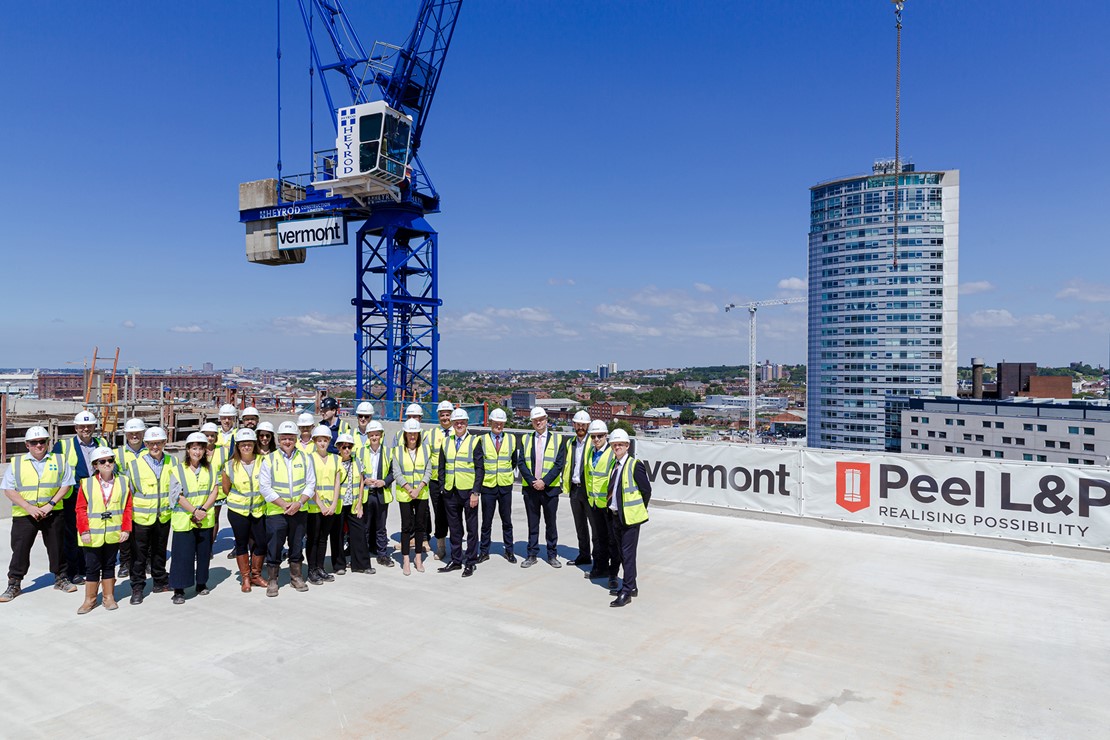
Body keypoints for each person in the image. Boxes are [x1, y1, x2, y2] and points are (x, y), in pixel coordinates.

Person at [1, 426, 77, 602]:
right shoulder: (17, 463)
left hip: (52, 512)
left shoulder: (59, 460)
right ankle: (14, 583)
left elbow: (66, 484)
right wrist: (29, 508)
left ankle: (61, 578)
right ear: (27, 445)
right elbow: (8, 489)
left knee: (57, 547)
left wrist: (50, 505)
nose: (38, 445)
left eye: (42, 441)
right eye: (34, 442)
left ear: (48, 443)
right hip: (25, 514)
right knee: (20, 549)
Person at [260, 420, 316, 596]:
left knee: (297, 544)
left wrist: (299, 503)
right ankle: (273, 580)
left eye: (290, 438)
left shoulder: (305, 458)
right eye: (284, 438)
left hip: (299, 510)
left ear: (296, 439)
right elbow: (265, 487)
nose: (287, 441)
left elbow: (311, 484)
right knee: (274, 546)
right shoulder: (269, 460)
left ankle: (296, 577)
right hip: (277, 511)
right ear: (278, 439)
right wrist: (284, 504)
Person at [54, 409, 109, 585]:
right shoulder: (64, 446)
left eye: (89, 426)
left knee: (91, 529)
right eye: (82, 426)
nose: (86, 429)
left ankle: (88, 565)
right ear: (76, 427)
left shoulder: (102, 442)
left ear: (94, 426)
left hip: (95, 494)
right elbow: (56, 471)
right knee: (72, 533)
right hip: (73, 495)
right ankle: (73, 570)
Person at [74, 446, 133, 614]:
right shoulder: (87, 484)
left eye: (110, 460)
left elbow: (128, 507)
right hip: (92, 534)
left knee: (109, 565)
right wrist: (84, 531)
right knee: (92, 567)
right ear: (95, 465)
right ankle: (89, 600)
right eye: (102, 461)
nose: (107, 464)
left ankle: (109, 597)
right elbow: (80, 509)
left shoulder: (123, 481)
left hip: (113, 533)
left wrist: (126, 529)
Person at [126, 426, 175, 604]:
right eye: (151, 444)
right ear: (145, 444)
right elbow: (128, 494)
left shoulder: (173, 462)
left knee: (159, 551)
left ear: (164, 443)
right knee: (138, 555)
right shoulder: (134, 465)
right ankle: (137, 587)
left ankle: (160, 581)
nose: (155, 447)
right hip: (141, 518)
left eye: (159, 443)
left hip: (163, 515)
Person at [168, 432, 219, 604]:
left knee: (203, 554)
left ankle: (201, 583)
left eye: (201, 449)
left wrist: (203, 509)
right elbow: (177, 495)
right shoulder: (177, 470)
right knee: (182, 556)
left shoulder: (211, 468)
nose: (197, 452)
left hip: (204, 517)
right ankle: (179, 589)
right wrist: (194, 511)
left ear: (205, 451)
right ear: (188, 450)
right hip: (185, 519)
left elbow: (215, 491)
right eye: (194, 448)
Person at [605, 429, 651, 608]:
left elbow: (646, 490)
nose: (617, 447)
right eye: (614, 445)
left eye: (620, 444)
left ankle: (626, 591)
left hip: (630, 519)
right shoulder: (614, 465)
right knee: (624, 554)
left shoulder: (634, 465)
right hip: (615, 516)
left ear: (627, 446)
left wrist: (639, 509)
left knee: (628, 554)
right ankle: (632, 586)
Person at [437, 408, 484, 577]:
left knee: (472, 528)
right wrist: (443, 486)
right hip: (450, 492)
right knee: (455, 528)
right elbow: (441, 466)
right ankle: (456, 560)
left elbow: (480, 469)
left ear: (466, 423)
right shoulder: (446, 441)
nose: (459, 425)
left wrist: (475, 492)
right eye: (456, 422)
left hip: (468, 492)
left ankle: (470, 561)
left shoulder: (474, 441)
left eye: (462, 422)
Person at [517, 406, 565, 568]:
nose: (539, 422)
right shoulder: (526, 439)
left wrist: (544, 481)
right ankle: (532, 554)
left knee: (551, 523)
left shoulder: (558, 440)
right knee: (533, 523)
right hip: (531, 489)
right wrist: (533, 481)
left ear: (546, 420)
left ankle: (552, 555)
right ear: (532, 422)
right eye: (535, 420)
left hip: (550, 489)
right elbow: (521, 463)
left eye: (541, 419)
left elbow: (559, 464)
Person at [221, 428, 269, 593]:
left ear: (254, 445)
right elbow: (227, 489)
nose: (246, 447)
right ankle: (246, 577)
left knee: (261, 542)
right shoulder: (229, 466)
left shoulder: (263, 461)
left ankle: (256, 574)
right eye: (243, 445)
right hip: (238, 511)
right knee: (241, 544)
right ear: (238, 446)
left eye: (249, 444)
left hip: (258, 509)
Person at [477, 408, 517, 564]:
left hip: (505, 486)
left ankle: (509, 551)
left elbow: (514, 461)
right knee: (486, 522)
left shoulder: (511, 439)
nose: (498, 426)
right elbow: (479, 464)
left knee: (507, 521)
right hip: (488, 486)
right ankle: (484, 551)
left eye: (501, 423)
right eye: (496, 423)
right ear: (490, 423)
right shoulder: (482, 440)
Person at [392, 419, 431, 576]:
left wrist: (419, 487)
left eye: (415, 433)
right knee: (406, 527)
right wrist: (409, 489)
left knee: (420, 526)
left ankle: (419, 559)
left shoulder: (426, 450)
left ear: (418, 434)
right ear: (405, 434)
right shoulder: (398, 451)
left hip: (421, 493)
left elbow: (429, 470)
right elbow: (396, 472)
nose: (412, 436)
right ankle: (406, 560)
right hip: (405, 494)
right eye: (410, 433)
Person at [305, 425, 340, 585]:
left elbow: (337, 483)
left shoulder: (335, 458)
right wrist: (321, 505)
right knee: (313, 538)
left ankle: (320, 567)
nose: (322, 443)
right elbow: (309, 484)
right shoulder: (308, 458)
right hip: (314, 506)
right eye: (319, 440)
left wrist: (333, 504)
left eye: (325, 440)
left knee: (323, 539)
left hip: (330, 507)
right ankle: (311, 569)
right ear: (314, 441)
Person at [582, 420, 616, 583]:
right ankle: (600, 567)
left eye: (600, 436)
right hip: (594, 502)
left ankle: (612, 571)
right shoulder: (590, 452)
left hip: (608, 505)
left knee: (611, 539)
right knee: (598, 537)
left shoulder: (612, 453)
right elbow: (589, 476)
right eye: (593, 436)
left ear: (606, 436)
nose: (596, 439)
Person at [358, 420, 395, 569]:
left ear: (381, 435)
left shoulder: (388, 452)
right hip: (366, 494)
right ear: (367, 436)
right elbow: (356, 472)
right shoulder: (361, 451)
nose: (374, 437)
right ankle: (364, 555)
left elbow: (393, 472)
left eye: (376, 435)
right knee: (365, 527)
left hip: (381, 494)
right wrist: (364, 480)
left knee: (381, 527)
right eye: (371, 435)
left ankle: (382, 555)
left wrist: (384, 482)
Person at [114, 417, 147, 578]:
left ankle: (146, 560)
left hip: (146, 499)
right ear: (126, 435)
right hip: (124, 500)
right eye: (131, 433)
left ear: (143, 433)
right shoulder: (117, 454)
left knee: (145, 532)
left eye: (138, 433)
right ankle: (125, 563)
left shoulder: (150, 451)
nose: (134, 436)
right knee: (125, 533)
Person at [332, 433, 368, 574]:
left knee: (359, 533)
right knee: (337, 535)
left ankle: (361, 564)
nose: (347, 449)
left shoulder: (357, 462)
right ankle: (339, 565)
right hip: (339, 504)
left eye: (349, 447)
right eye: (344, 447)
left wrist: (360, 503)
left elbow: (361, 483)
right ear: (338, 448)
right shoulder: (334, 462)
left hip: (353, 504)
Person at [562, 410, 594, 567]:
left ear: (588, 425)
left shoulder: (593, 443)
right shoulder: (571, 443)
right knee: (580, 525)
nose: (580, 427)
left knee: (595, 527)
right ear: (573, 425)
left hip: (589, 491)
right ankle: (584, 555)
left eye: (583, 424)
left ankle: (599, 559)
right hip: (575, 489)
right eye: (578, 424)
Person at [426, 400, 455, 560]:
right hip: (436, 482)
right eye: (442, 415)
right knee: (439, 515)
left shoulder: (459, 432)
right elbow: (427, 458)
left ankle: (457, 546)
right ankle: (441, 547)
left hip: (455, 482)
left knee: (455, 515)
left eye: (448, 414)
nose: (445, 417)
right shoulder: (431, 434)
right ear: (438, 416)